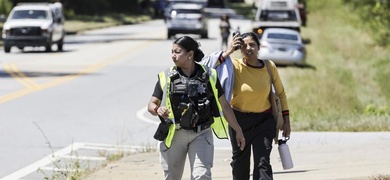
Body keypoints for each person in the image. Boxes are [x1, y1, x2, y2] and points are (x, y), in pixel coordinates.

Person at [147, 36, 246, 180]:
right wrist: (157, 110)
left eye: (177, 52)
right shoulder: (166, 76)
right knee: (172, 177)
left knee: (202, 176)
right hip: (175, 134)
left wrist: (238, 130)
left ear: (190, 54)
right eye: (172, 52)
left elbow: (225, 105)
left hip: (201, 134)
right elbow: (151, 104)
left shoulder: (209, 75)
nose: (173, 55)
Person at [203, 32, 292, 180]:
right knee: (240, 164)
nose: (248, 48)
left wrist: (287, 121)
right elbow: (207, 67)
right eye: (244, 45)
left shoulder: (269, 66)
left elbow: (281, 94)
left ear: (259, 47)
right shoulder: (233, 65)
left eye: (252, 45)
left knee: (262, 163)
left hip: (264, 121)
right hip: (238, 121)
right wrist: (229, 50)